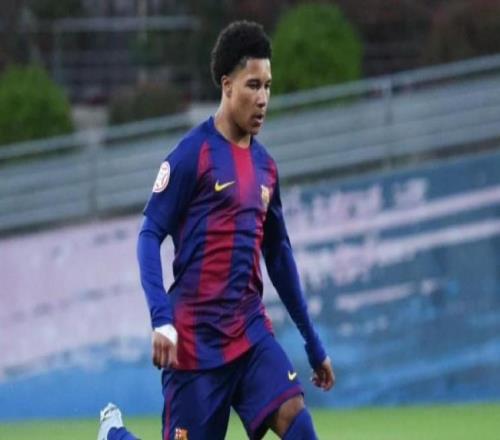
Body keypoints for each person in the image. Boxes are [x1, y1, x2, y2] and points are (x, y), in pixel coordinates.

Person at [98, 20, 335, 440]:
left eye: (268, 86)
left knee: (299, 425)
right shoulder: (193, 154)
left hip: (249, 333)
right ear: (227, 85)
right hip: (194, 344)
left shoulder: (266, 168)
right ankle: (114, 435)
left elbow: (279, 256)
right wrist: (161, 319)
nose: (263, 99)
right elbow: (149, 235)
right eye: (252, 85)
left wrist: (313, 344)